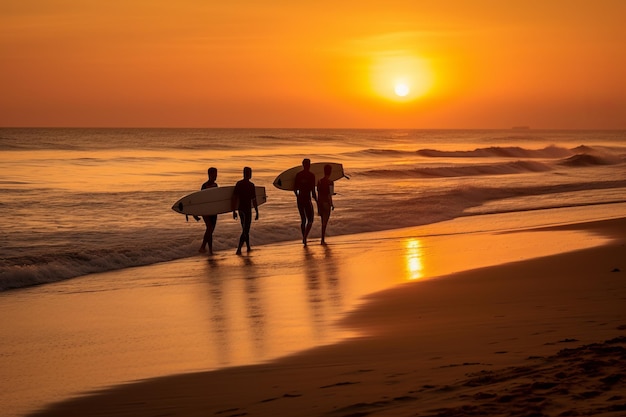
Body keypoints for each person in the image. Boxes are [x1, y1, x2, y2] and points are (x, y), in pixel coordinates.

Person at [232, 166, 259, 255]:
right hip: (246, 210)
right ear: (249, 174)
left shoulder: (239, 184)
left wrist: (234, 211)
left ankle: (248, 247)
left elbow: (235, 198)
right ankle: (239, 249)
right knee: (245, 230)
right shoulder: (251, 185)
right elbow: (254, 200)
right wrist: (257, 211)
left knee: (245, 229)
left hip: (241, 210)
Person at [293, 158, 317, 246]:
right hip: (307, 199)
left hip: (299, 199)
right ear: (309, 165)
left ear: (303, 165)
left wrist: (298, 196)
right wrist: (317, 201)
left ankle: (304, 238)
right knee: (310, 220)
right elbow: (313, 191)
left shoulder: (298, 175)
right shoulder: (311, 175)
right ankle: (304, 238)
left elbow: (295, 189)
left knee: (303, 220)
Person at [199, 167, 218, 255]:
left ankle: (210, 250)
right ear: (210, 175)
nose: (216, 176)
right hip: (206, 210)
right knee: (209, 228)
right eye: (214, 174)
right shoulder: (204, 186)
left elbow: (217, 199)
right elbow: (201, 200)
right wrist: (197, 213)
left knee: (210, 230)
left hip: (213, 210)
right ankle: (203, 247)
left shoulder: (216, 185)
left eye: (216, 174)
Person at [316, 164, 334, 245]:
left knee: (322, 221)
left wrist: (318, 204)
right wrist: (332, 204)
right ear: (330, 172)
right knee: (324, 222)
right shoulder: (331, 182)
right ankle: (322, 239)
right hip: (326, 203)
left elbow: (318, 193)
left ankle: (322, 238)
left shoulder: (319, 181)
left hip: (320, 202)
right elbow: (330, 194)